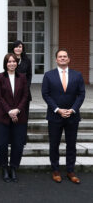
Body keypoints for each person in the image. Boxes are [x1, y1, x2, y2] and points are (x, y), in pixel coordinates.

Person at [42, 49, 85, 184]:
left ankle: (70, 171)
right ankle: (55, 170)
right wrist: (57, 109)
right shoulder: (49, 75)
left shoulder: (77, 75)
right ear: (56, 59)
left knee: (71, 145)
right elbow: (45, 94)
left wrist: (73, 110)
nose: (62, 58)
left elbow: (81, 94)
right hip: (55, 116)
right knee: (54, 145)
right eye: (60, 57)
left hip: (72, 116)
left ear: (69, 59)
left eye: (65, 56)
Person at [0, 53, 29, 183]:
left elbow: (25, 96)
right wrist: (9, 111)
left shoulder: (23, 77)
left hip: (20, 116)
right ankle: (4, 168)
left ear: (17, 63)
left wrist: (17, 110)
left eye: (14, 61)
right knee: (1, 144)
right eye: (9, 62)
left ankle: (13, 168)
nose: (12, 64)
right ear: (5, 63)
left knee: (18, 145)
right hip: (2, 116)